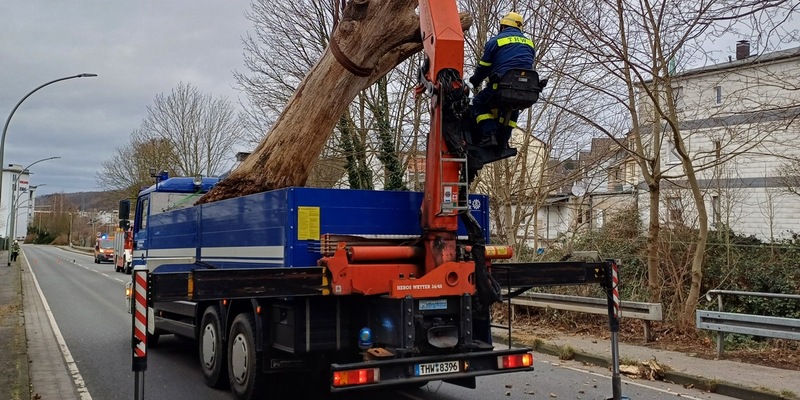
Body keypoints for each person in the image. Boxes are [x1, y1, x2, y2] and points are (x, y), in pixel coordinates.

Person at [468, 11, 536, 147]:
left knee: (479, 103)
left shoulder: (495, 41)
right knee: (513, 110)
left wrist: (475, 80)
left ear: (503, 26)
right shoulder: (530, 44)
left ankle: (489, 135)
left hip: (501, 87)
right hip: (527, 91)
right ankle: (504, 141)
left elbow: (484, 66)